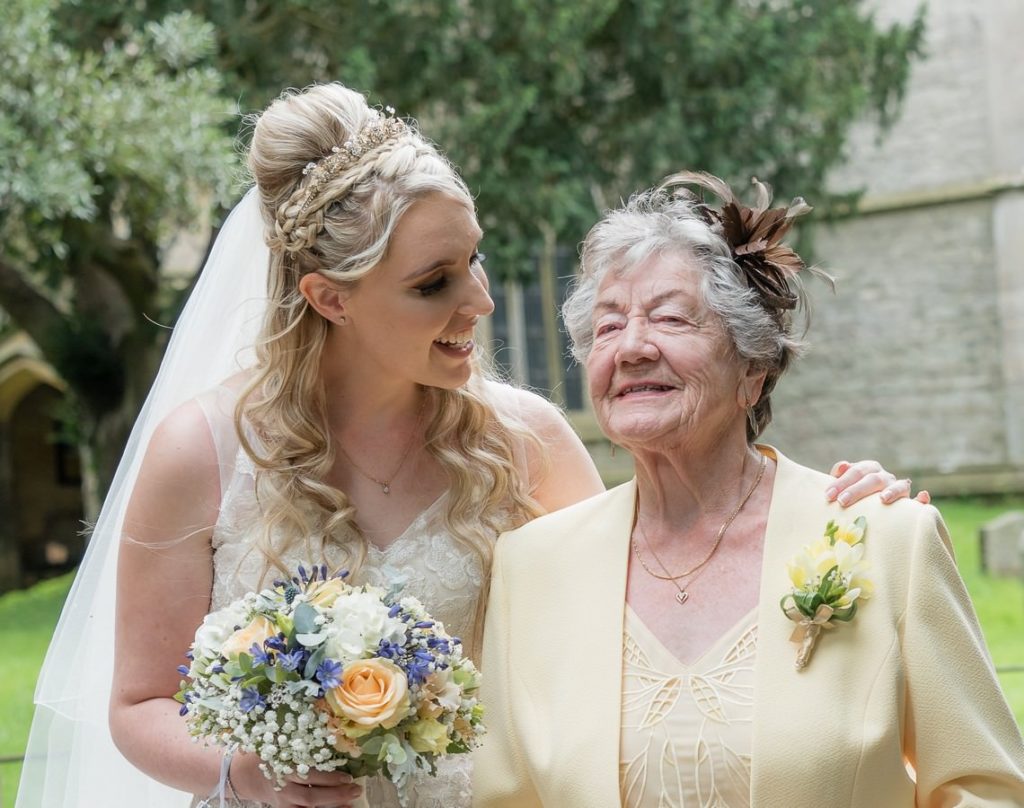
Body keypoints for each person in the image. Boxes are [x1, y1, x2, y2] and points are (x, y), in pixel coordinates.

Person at [17, 85, 917, 808]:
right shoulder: (202, 452)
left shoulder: (524, 441)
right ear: (332, 299)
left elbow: (663, 580)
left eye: (475, 259)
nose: (479, 301)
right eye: (433, 283)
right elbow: (139, 704)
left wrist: (829, 516)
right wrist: (243, 773)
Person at [472, 171, 1024, 807]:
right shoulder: (530, 568)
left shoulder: (886, 542)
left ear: (754, 372)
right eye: (606, 326)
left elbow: (986, 791)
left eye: (670, 318)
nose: (630, 348)